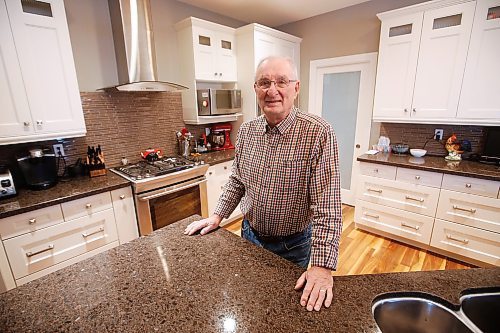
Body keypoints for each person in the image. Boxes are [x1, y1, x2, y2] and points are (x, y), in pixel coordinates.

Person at [184, 56, 342, 312]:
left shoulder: (318, 133)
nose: (272, 90)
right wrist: (217, 216)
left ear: (296, 88)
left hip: (294, 245)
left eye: (281, 82)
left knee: (286, 313)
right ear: (255, 89)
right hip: (249, 237)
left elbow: (328, 206)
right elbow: (237, 180)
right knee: (252, 303)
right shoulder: (246, 131)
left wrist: (322, 267)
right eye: (264, 83)